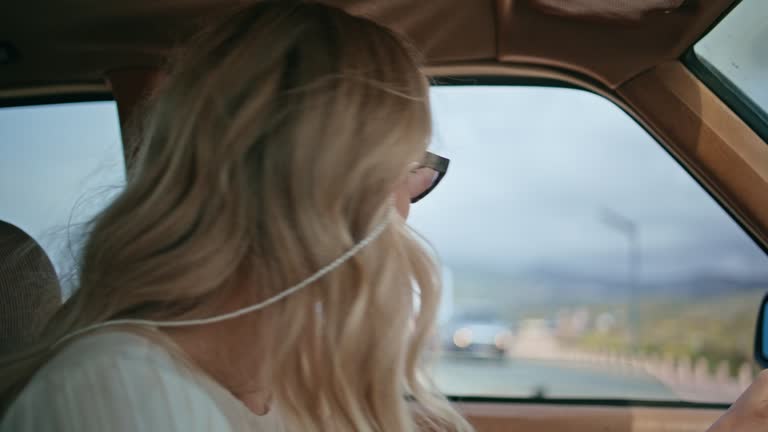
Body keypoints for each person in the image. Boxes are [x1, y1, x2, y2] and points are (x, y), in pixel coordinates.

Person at [0, 2, 766, 431]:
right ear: (322, 183)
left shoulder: (290, 389)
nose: (411, 204)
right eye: (410, 166)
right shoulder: (120, 402)